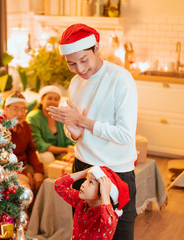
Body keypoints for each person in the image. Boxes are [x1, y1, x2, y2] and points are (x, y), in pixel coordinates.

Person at [47, 23, 138, 240]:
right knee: (83, 234)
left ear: (96, 48)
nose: (79, 69)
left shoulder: (120, 79)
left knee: (120, 236)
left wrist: (84, 122)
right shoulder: (75, 83)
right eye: (72, 64)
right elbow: (79, 133)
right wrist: (74, 132)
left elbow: (125, 135)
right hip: (83, 168)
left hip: (115, 173)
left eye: (84, 60)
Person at [54, 165, 130, 240]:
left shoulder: (108, 216)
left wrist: (105, 194)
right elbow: (59, 185)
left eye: (90, 182)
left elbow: (107, 224)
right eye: (86, 179)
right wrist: (83, 173)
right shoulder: (81, 202)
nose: (83, 184)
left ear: (102, 191)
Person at [2, 90, 44, 191]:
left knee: (44, 177)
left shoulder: (25, 126)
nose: (20, 113)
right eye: (15, 109)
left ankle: (36, 207)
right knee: (25, 184)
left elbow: (31, 150)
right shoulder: (0, 129)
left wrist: (38, 171)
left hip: (24, 165)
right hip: (8, 169)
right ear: (5, 109)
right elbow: (2, 160)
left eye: (23, 109)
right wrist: (24, 173)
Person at [26, 85, 75, 164]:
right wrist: (65, 150)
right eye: (49, 98)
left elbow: (68, 139)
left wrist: (73, 148)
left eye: (56, 99)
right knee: (48, 156)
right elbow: (39, 144)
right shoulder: (33, 118)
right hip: (41, 153)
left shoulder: (60, 116)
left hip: (60, 152)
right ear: (41, 100)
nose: (53, 101)